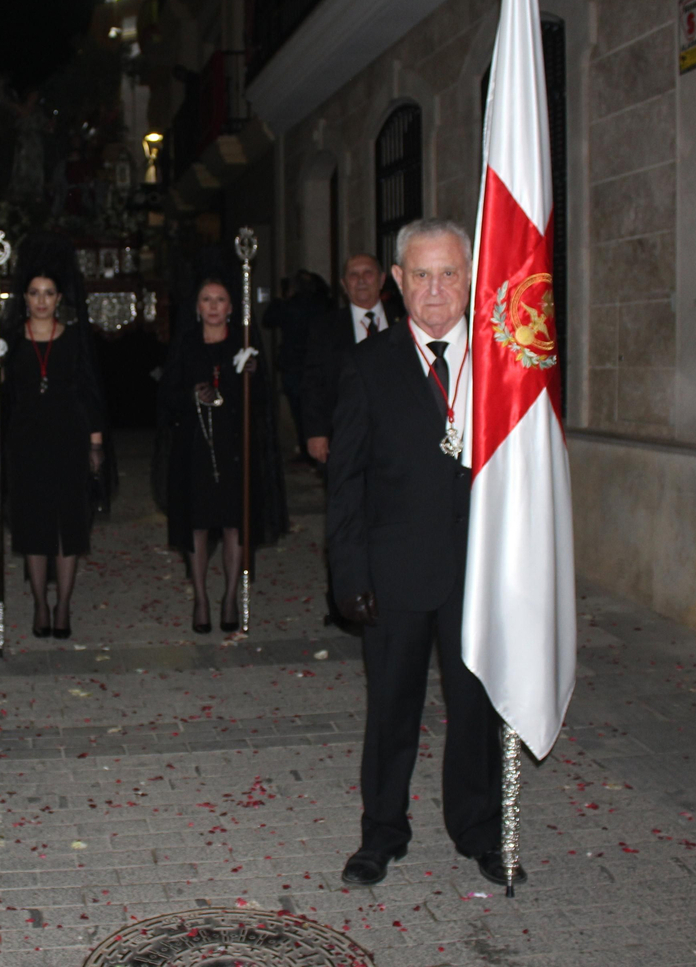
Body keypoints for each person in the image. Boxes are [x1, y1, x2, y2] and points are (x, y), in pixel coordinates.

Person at [326, 218, 518, 889]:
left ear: (470, 279)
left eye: (450, 274)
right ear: (398, 280)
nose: (436, 289)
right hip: (394, 573)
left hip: (479, 574)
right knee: (391, 713)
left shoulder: (504, 361)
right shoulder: (367, 364)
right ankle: (381, 833)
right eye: (422, 274)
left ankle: (480, 831)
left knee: (476, 712)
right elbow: (345, 481)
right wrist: (348, 575)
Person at [0, 240, 105, 639]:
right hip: (26, 442)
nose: (41, 301)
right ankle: (39, 604)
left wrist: (96, 443)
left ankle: (64, 605)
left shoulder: (73, 338)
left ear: (59, 298)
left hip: (68, 438)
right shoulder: (11, 340)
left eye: (48, 294)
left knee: (67, 527)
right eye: (34, 293)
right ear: (25, 297)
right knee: (33, 527)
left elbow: (89, 392)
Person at [156, 277, 287, 634]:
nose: (213, 306)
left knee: (234, 524)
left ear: (231, 307)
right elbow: (167, 397)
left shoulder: (245, 345)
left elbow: (261, 405)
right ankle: (200, 596)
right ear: (197, 307)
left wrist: (251, 376)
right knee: (197, 523)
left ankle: (230, 596)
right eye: (206, 299)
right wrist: (191, 395)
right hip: (194, 449)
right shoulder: (185, 344)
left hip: (234, 448)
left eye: (220, 300)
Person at [302, 252, 406, 630]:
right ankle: (344, 601)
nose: (361, 281)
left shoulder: (405, 323)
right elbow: (312, 382)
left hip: (396, 444)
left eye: (367, 274)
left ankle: (391, 591)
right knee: (347, 518)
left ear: (383, 280)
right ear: (343, 285)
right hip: (345, 441)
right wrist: (315, 432)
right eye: (352, 276)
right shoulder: (326, 328)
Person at [261, 270, 328, 460]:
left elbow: (268, 319)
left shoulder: (292, 306)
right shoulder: (321, 304)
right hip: (310, 364)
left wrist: (280, 299)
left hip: (296, 365)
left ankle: (306, 448)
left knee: (300, 410)